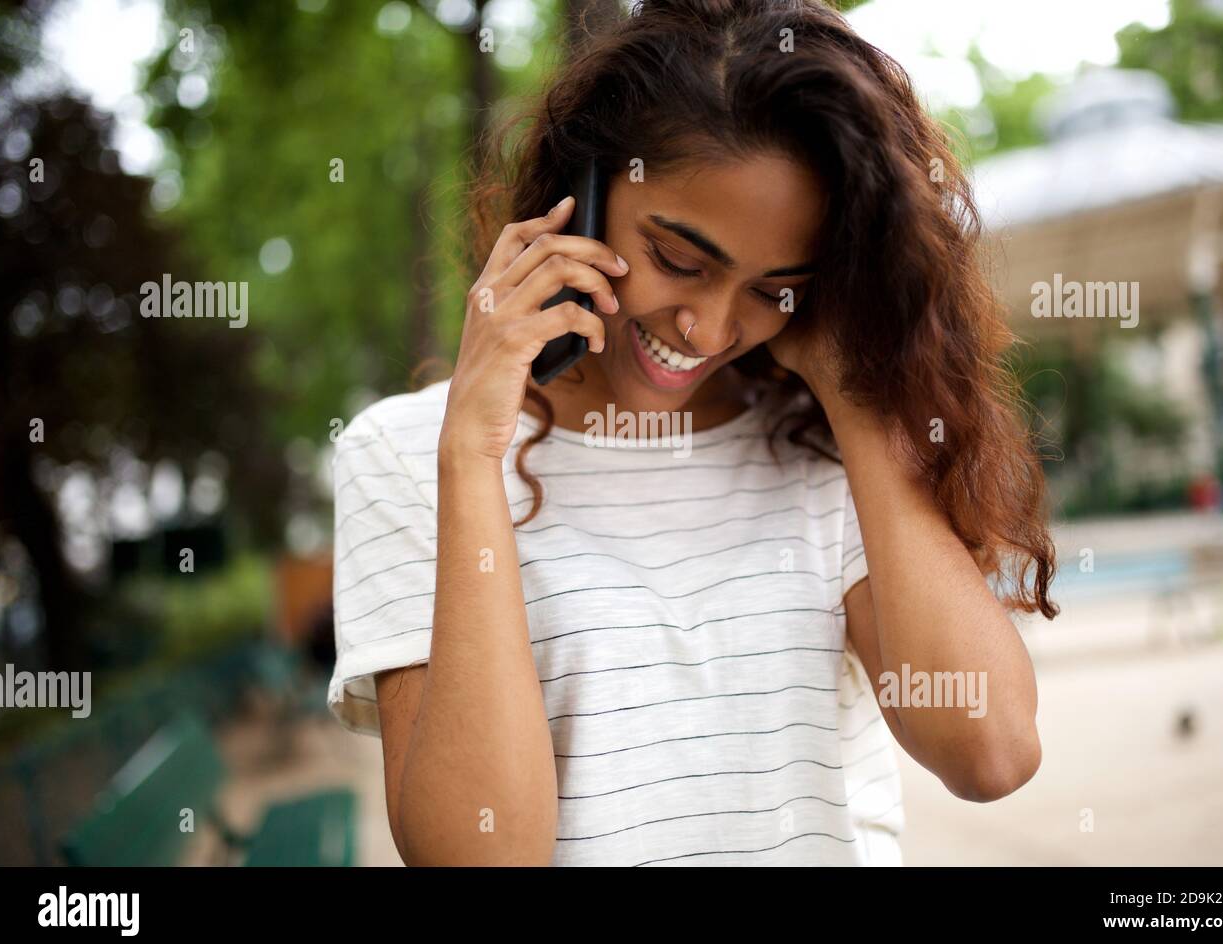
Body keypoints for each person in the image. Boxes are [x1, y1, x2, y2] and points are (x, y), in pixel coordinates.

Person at [328, 0, 1057, 866]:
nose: (709, 330)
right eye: (680, 260)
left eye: (773, 287)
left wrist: (854, 390)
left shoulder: (824, 446)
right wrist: (471, 456)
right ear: (584, 193)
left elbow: (992, 752)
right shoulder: (406, 456)